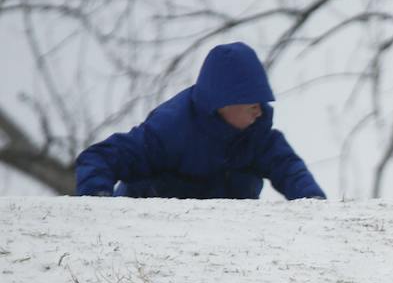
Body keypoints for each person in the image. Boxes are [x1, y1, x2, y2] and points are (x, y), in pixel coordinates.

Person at [74, 42, 326, 200]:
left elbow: (289, 169)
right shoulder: (169, 130)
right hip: (153, 241)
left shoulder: (258, 136)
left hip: (228, 247)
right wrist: (99, 206)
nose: (259, 112)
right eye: (252, 105)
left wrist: (313, 203)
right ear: (225, 103)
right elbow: (99, 157)